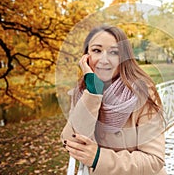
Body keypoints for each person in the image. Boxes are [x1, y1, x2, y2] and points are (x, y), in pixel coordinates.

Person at [61, 25, 166, 175]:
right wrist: (93, 93)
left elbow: (154, 159)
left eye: (114, 52)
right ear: (86, 57)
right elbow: (71, 141)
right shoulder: (82, 92)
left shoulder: (142, 92)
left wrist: (99, 158)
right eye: (96, 50)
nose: (104, 60)